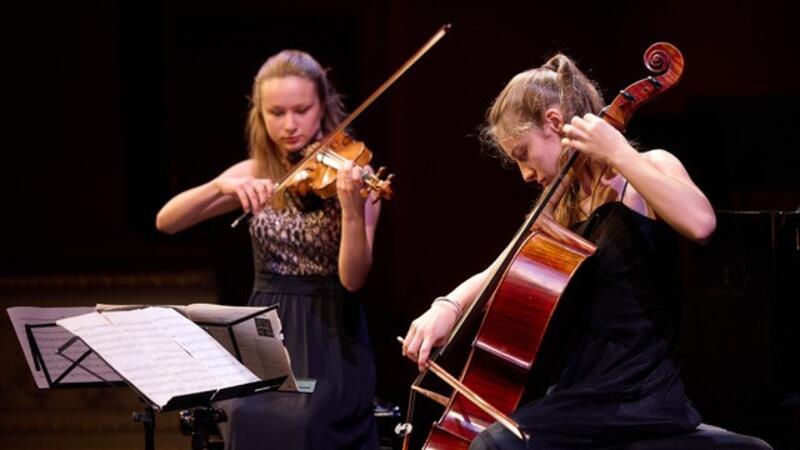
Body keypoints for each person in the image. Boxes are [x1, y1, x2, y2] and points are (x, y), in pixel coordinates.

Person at [401, 53, 717, 449]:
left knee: (494, 445)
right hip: (579, 392)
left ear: (554, 122)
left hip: (638, 393)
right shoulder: (561, 206)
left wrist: (619, 152)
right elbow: (499, 270)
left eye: (523, 154)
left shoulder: (648, 168)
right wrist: (446, 306)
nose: (526, 174)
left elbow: (701, 224)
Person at [156, 50, 380, 450]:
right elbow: (167, 222)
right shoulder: (254, 172)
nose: (290, 125)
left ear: (323, 106)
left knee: (306, 423)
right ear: (258, 112)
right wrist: (219, 187)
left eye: (301, 109)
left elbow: (353, 277)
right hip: (264, 328)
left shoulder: (352, 176)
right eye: (276, 112)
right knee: (242, 414)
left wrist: (350, 209)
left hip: (328, 330)